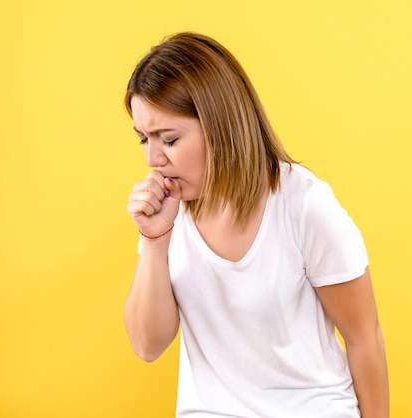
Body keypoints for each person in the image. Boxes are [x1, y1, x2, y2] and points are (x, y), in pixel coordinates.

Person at [123, 32, 389, 418]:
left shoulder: (303, 204)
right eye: (143, 139)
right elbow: (147, 346)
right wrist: (153, 239)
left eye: (169, 139)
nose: (153, 158)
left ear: (220, 126)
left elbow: (364, 339)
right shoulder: (168, 210)